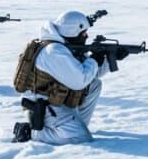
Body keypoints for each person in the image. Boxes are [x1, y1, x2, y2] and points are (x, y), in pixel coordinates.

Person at [12, 11, 108, 144]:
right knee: (80, 138)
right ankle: (31, 133)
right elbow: (79, 81)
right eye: (83, 33)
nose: (87, 35)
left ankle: (77, 124)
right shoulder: (54, 51)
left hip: (57, 100)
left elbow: (90, 75)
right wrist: (95, 60)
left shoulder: (65, 46)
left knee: (94, 84)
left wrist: (108, 59)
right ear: (72, 32)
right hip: (43, 106)